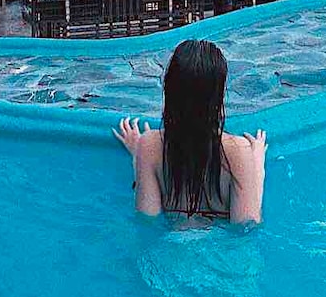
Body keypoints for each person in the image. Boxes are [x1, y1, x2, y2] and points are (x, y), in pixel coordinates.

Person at [114, 39, 266, 224]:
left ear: (169, 90)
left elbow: (148, 220)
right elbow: (246, 227)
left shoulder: (148, 146)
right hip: (218, 240)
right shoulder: (238, 152)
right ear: (217, 97)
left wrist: (140, 156)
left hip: (171, 240)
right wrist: (256, 167)